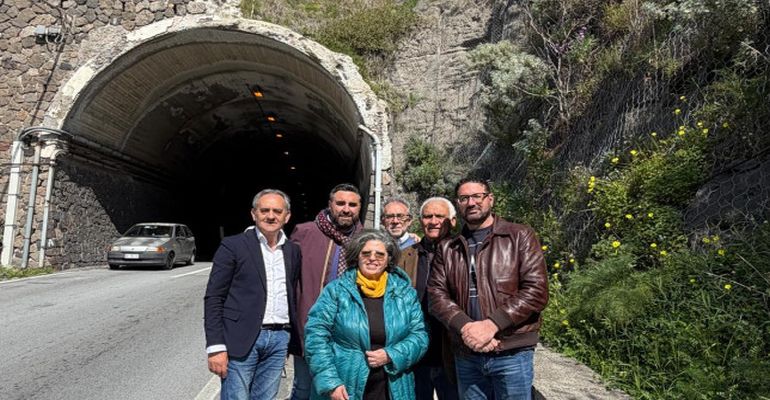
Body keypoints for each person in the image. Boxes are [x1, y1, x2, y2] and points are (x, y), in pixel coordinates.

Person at [428, 178, 549, 399]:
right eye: (464, 198)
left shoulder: (518, 236)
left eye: (477, 196)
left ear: (490, 199)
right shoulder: (448, 248)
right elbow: (436, 296)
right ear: (458, 204)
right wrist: (467, 328)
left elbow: (536, 290)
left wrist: (492, 325)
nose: (471, 203)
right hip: (467, 353)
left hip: (511, 352)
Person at [304, 229, 429, 400]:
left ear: (389, 259)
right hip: (344, 384)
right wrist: (330, 382)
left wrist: (391, 355)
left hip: (393, 386)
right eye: (366, 253)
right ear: (357, 256)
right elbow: (315, 335)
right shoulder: (336, 291)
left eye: (380, 254)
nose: (372, 258)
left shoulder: (404, 293)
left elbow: (420, 336)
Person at [203, 189, 302, 399]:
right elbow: (214, 298)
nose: (271, 216)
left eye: (277, 211)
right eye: (264, 210)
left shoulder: (292, 251)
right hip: (241, 338)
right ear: (253, 214)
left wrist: (289, 339)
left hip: (279, 339)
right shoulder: (233, 246)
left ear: (287, 216)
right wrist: (215, 347)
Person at [290, 183, 364, 400]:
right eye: (340, 203)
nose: (346, 209)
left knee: (344, 389)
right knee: (304, 388)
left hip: (350, 330)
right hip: (311, 326)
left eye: (352, 204)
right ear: (330, 204)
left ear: (360, 207)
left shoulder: (366, 239)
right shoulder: (305, 233)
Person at [398, 197, 458, 400]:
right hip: (417, 354)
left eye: (439, 216)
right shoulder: (404, 257)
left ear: (453, 221)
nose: (433, 221)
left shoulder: (464, 254)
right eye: (427, 216)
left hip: (451, 352)